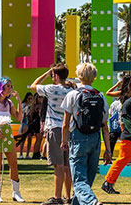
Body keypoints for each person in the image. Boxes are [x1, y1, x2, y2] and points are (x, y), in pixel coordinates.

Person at [60, 61, 112, 205]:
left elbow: (65, 123)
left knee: (79, 180)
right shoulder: (100, 96)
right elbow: (105, 126)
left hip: (78, 138)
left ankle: (91, 202)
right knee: (86, 181)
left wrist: (64, 141)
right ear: (94, 77)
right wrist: (108, 150)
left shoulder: (72, 95)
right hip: (95, 138)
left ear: (79, 76)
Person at [30, 64, 76, 205]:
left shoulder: (51, 89)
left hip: (55, 128)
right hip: (69, 129)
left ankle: (57, 197)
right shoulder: (71, 90)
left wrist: (46, 73)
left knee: (58, 165)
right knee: (67, 165)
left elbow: (33, 86)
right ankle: (68, 196)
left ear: (55, 76)